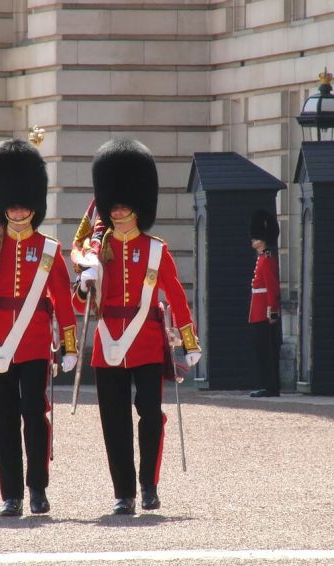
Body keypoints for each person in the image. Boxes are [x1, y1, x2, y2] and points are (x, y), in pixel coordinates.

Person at [73, 138, 202, 515]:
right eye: (113, 203)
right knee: (114, 422)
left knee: (149, 413)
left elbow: (175, 295)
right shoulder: (96, 251)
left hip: (145, 342)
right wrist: (84, 282)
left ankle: (149, 484)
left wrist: (189, 341)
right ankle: (123, 492)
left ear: (138, 205)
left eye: (124, 203)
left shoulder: (155, 249)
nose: (118, 209)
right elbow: (79, 305)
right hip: (108, 342)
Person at [0, 139, 78, 517]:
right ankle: (10, 494)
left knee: (34, 416)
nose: (17, 209)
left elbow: (63, 301)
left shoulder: (48, 249)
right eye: (10, 204)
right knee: (3, 421)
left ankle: (37, 488)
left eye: (23, 204)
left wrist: (70, 345)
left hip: (34, 342)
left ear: (34, 205)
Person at [248, 209, 282, 398]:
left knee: (266, 350)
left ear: (262, 240)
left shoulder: (267, 259)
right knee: (261, 350)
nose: (252, 241)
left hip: (264, 312)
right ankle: (266, 384)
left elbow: (272, 287)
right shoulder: (262, 258)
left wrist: (272, 311)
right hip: (258, 310)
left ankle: (270, 386)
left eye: (255, 238)